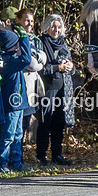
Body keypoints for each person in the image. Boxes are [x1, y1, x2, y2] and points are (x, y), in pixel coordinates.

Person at [36, 14, 76, 166]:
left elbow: (71, 65)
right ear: (47, 27)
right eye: (53, 26)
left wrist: (71, 67)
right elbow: (38, 68)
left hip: (63, 88)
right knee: (45, 122)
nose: (56, 30)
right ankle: (41, 156)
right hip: (47, 88)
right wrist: (56, 68)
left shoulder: (63, 43)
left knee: (59, 123)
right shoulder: (40, 42)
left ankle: (57, 155)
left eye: (59, 27)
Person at [0, 28, 32, 173]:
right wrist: (24, 39)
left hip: (18, 103)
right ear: (12, 44)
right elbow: (27, 59)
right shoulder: (8, 61)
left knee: (18, 134)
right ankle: (2, 164)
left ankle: (16, 162)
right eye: (16, 43)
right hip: (12, 104)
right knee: (9, 135)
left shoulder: (10, 59)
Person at [14, 8, 46, 150]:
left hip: (32, 86)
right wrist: (36, 62)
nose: (29, 24)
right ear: (18, 20)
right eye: (26, 20)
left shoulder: (35, 39)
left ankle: (19, 156)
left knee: (26, 124)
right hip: (19, 85)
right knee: (16, 125)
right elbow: (27, 62)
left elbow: (42, 58)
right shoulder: (14, 37)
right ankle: (12, 159)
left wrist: (37, 60)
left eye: (32, 21)